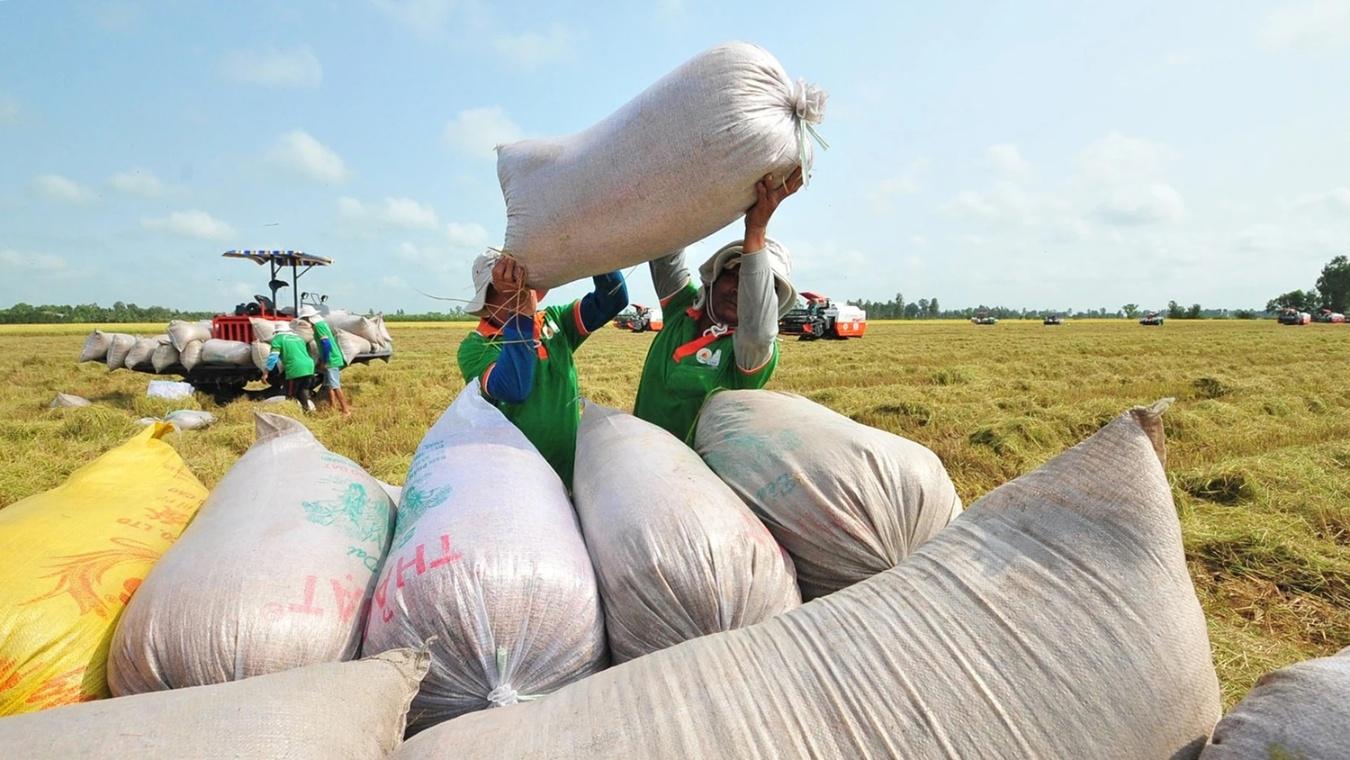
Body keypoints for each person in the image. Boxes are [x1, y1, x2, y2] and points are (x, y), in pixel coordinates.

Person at [633, 168, 803, 440]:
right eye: (733, 275)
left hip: (691, 477)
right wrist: (684, 185)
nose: (739, 290)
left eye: (753, 286)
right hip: (637, 458)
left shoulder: (750, 354)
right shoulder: (682, 307)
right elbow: (665, 249)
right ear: (714, 277)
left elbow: (758, 328)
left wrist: (756, 230)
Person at [457, 254, 628, 488]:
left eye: (523, 287)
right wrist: (521, 318)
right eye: (507, 291)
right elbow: (514, 388)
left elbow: (613, 300)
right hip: (518, 481)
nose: (523, 294)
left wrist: (593, 252)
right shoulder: (475, 346)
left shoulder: (554, 321)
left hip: (569, 472)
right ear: (487, 300)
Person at [298, 305, 351, 417]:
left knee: (335, 385)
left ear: (308, 318)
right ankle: (332, 406)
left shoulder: (319, 326)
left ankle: (346, 410)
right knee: (329, 384)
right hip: (329, 358)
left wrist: (325, 360)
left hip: (332, 359)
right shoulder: (320, 325)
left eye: (304, 319)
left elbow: (326, 344)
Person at [265, 321, 318, 412]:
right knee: (303, 390)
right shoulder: (298, 338)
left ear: (277, 332)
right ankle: (307, 411)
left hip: (295, 368)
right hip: (309, 366)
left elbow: (273, 356)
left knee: (290, 393)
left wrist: (266, 372)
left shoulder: (278, 339)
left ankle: (292, 412)